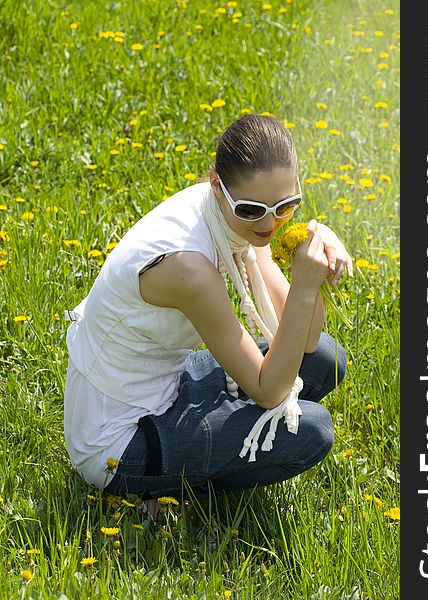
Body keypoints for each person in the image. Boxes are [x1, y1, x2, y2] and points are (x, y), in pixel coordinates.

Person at [63, 114, 352, 515]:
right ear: (218, 185)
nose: (270, 223)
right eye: (253, 210)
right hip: (117, 442)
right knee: (312, 430)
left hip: (166, 385)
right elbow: (269, 389)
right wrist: (303, 286)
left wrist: (316, 245)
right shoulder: (189, 267)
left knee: (325, 358)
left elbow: (303, 339)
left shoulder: (234, 217)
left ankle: (190, 464)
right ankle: (157, 494)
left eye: (286, 206)